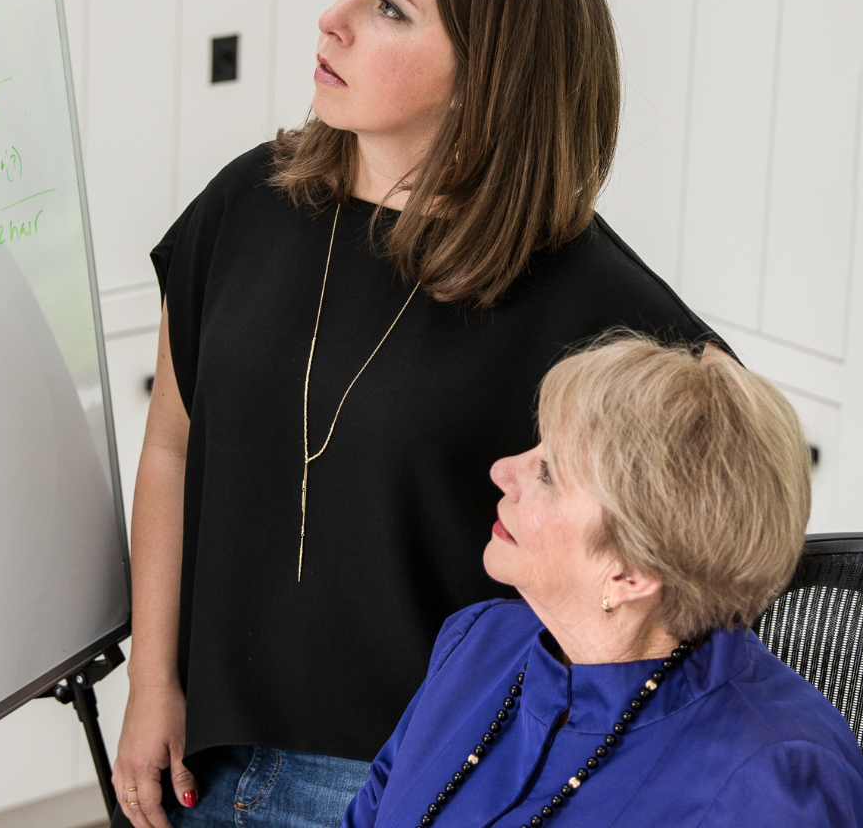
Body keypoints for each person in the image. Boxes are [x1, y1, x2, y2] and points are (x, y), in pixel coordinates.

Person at [111, 0, 731, 828]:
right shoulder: (244, 205)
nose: (334, 19)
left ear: (487, 78)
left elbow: (729, 490)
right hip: (206, 752)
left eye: (390, 9)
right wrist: (151, 682)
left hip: (413, 784)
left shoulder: (576, 290)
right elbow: (170, 447)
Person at [342, 336, 863, 828]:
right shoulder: (477, 643)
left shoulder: (774, 785)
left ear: (632, 572)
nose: (502, 470)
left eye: (548, 473)